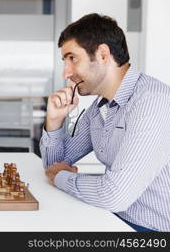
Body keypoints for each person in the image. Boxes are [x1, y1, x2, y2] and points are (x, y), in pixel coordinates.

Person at [40, 13, 170, 232]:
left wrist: (62, 178)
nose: (66, 73)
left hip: (152, 230)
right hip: (116, 219)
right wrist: (54, 121)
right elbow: (54, 165)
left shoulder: (152, 102)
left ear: (102, 54)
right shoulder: (100, 107)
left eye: (72, 58)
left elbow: (114, 195)